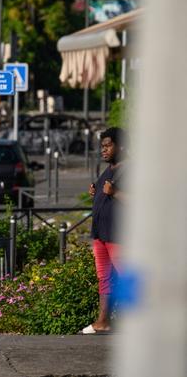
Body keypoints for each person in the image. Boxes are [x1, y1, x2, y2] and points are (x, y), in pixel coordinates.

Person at [82, 127, 126, 334]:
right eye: (102, 147)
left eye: (108, 146)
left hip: (119, 236)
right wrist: (96, 191)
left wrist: (116, 192)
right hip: (101, 234)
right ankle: (103, 321)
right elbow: (104, 192)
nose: (104, 150)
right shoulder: (109, 169)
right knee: (105, 278)